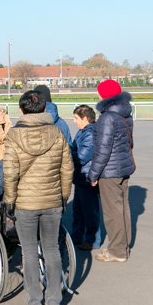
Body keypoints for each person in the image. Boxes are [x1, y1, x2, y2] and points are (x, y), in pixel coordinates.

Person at [3, 89, 73, 305]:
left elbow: (10, 173)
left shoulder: (13, 136)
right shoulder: (57, 132)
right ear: (44, 108)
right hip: (53, 201)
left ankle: (35, 304)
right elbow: (67, 169)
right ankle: (54, 303)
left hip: (25, 204)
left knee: (29, 253)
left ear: (21, 110)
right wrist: (63, 197)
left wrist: (10, 200)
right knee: (52, 250)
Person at [88, 79, 135, 263]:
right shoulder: (125, 114)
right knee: (123, 209)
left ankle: (117, 251)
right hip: (123, 166)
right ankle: (122, 245)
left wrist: (93, 174)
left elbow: (102, 149)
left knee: (112, 212)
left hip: (110, 171)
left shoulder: (107, 118)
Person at [70, 104, 101, 251]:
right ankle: (76, 237)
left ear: (86, 118)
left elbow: (82, 157)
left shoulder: (90, 133)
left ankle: (92, 240)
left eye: (76, 118)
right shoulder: (82, 132)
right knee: (78, 211)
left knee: (90, 212)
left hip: (88, 178)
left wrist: (67, 153)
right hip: (80, 178)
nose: (74, 121)